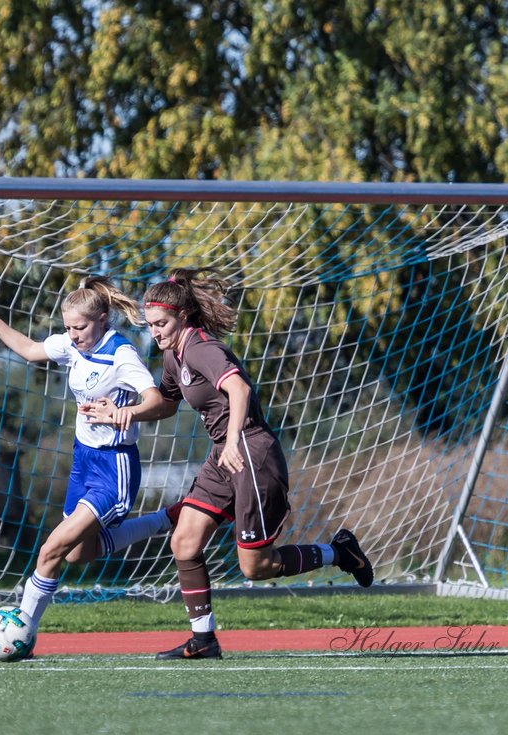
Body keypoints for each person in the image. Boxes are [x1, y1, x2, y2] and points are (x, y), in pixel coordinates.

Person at [82, 267, 374, 660]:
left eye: (161, 323)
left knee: (257, 566)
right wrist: (123, 411)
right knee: (184, 541)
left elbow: (239, 387)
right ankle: (204, 640)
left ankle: (339, 551)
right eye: (150, 324)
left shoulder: (202, 347)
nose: (155, 331)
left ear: (183, 316)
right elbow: (166, 405)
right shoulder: (173, 355)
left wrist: (234, 439)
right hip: (224, 455)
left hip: (251, 454)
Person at [0, 276, 177, 650]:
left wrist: (122, 412)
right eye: (68, 327)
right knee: (79, 553)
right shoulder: (71, 345)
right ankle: (164, 519)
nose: (73, 334)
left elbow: (160, 402)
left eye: (79, 327)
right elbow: (33, 350)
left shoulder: (121, 355)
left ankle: (22, 634)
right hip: (83, 460)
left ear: (103, 319)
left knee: (51, 549)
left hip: (114, 469)